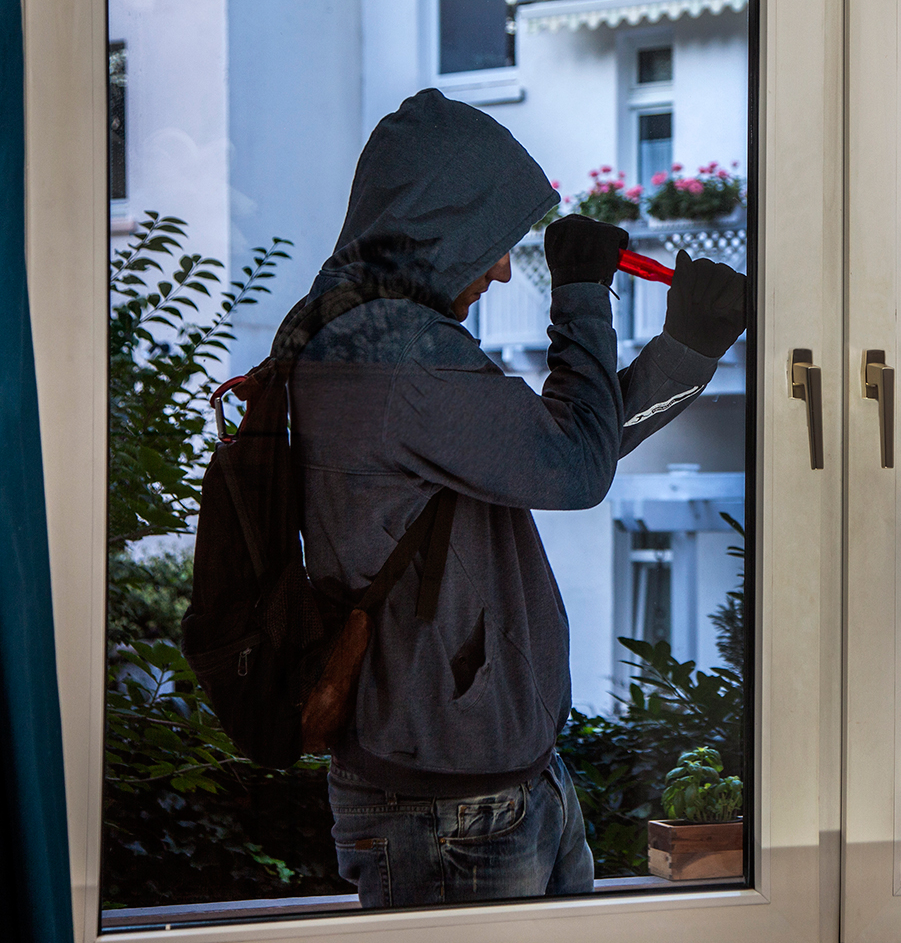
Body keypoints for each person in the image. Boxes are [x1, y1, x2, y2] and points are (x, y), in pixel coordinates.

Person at [288, 89, 746, 908]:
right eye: (490, 244)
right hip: (448, 808)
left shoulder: (382, 338)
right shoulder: (390, 355)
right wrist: (578, 294)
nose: (502, 268)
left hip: (499, 782)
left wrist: (687, 348)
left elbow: (565, 449)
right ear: (437, 225)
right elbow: (575, 468)